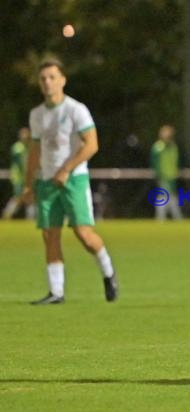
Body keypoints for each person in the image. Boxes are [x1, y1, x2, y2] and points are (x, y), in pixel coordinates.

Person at [21, 57, 119, 305]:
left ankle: (108, 272)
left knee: (83, 234)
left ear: (63, 80)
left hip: (73, 179)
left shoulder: (76, 110)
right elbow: (35, 150)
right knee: (49, 235)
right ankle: (56, 292)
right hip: (46, 182)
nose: (47, 82)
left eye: (52, 77)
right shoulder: (37, 115)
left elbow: (92, 145)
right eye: (43, 78)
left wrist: (66, 169)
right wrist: (28, 182)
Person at [150, 124, 183, 220]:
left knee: (170, 197)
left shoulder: (173, 147)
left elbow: (176, 161)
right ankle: (164, 218)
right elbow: (154, 163)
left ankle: (167, 218)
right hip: (163, 177)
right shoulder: (158, 147)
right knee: (165, 197)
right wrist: (158, 175)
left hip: (172, 177)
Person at [2, 127, 36, 219]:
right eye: (23, 134)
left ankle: (30, 218)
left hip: (27, 176)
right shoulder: (17, 147)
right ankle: (7, 215)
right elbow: (20, 163)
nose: (25, 136)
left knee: (29, 197)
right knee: (18, 197)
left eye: (26, 134)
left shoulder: (29, 147)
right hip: (18, 177)